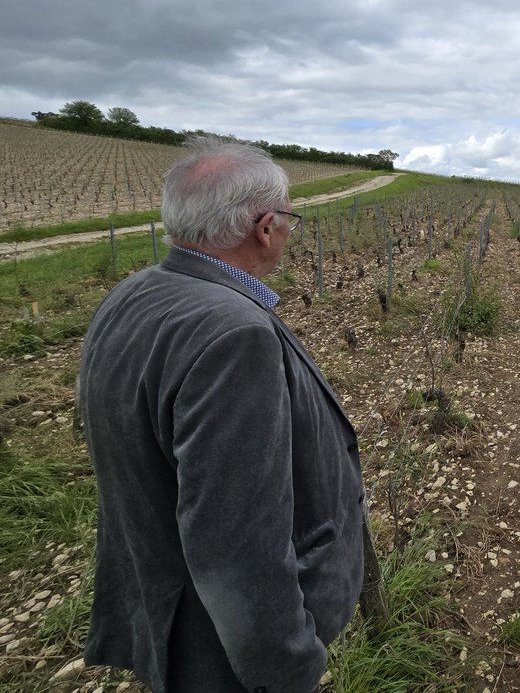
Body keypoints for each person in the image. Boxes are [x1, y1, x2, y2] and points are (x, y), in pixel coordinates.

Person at [77, 139, 364, 692]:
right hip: (218, 649)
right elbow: (239, 541)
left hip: (162, 598)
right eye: (288, 219)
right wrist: (287, 667)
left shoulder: (134, 293)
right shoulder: (236, 334)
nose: (288, 231)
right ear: (265, 227)